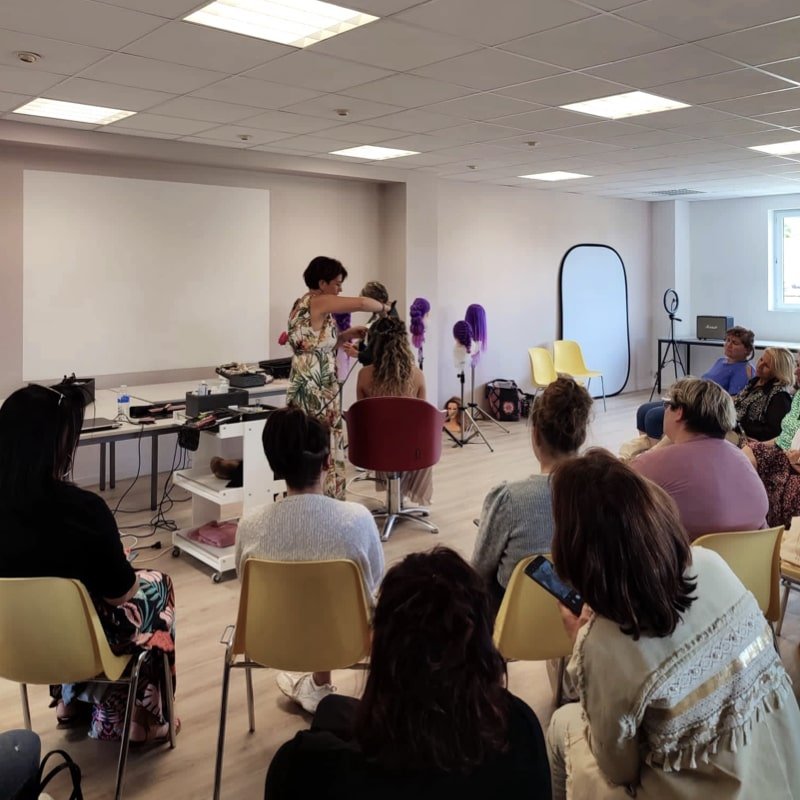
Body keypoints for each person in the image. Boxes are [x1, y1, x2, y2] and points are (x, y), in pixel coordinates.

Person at [546, 449, 800, 800]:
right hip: (784, 771)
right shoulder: (710, 562)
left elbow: (619, 769)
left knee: (562, 723)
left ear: (574, 551)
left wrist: (581, 644)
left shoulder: (602, 644)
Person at [264, 547, 551, 800]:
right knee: (330, 707)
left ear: (377, 645)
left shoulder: (301, 769)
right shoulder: (519, 730)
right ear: (483, 647)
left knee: (330, 709)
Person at [0, 384, 177, 744]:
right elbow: (122, 594)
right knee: (158, 585)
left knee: (55, 600)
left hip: (14, 647)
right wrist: (115, 558)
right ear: (57, 446)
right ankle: (143, 721)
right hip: (85, 647)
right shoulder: (85, 512)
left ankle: (69, 702)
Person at [235, 406, 384, 714]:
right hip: (350, 641)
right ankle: (323, 687)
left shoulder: (250, 525)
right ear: (328, 462)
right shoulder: (358, 520)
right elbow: (375, 583)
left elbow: (244, 584)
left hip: (268, 642)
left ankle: (316, 686)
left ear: (275, 466)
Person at [472, 377, 592, 601]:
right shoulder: (605, 495)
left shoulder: (508, 500)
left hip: (514, 621)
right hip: (583, 615)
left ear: (535, 434)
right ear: (582, 435)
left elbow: (478, 572)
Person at [286, 256, 390, 499]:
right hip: (315, 385)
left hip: (309, 378)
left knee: (310, 440)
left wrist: (344, 336)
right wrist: (384, 308)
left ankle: (311, 498)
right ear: (322, 283)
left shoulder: (302, 304)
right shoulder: (318, 301)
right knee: (319, 440)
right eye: (337, 283)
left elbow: (316, 345)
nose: (340, 289)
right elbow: (362, 303)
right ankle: (324, 500)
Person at [631, 377, 767, 540]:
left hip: (690, 554)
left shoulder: (652, 464)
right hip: (754, 553)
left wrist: (658, 448)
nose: (665, 410)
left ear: (679, 412)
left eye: (667, 405)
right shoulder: (742, 459)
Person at [356, 316, 431, 505]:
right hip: (412, 450)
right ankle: (401, 496)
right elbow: (423, 421)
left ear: (373, 343)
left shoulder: (364, 375)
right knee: (412, 437)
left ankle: (395, 497)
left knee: (384, 436)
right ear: (403, 342)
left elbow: (362, 419)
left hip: (375, 449)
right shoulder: (418, 375)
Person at [636, 326, 755, 442]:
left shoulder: (743, 370)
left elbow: (733, 400)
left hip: (704, 408)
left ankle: (656, 450)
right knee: (643, 410)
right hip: (693, 399)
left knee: (653, 416)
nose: (729, 344)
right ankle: (646, 445)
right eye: (727, 340)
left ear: (747, 350)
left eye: (734, 343)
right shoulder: (721, 361)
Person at [745, 350, 800, 527]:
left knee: (792, 488)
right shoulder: (798, 397)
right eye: (797, 365)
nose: (796, 371)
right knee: (746, 454)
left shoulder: (779, 396)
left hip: (794, 462)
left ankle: (773, 531)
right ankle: (747, 521)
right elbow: (784, 436)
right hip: (783, 451)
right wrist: (760, 444)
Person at [734, 346, 793, 441]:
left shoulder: (780, 396)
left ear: (778, 372)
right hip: (734, 430)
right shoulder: (754, 381)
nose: (760, 365)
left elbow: (774, 432)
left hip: (752, 441)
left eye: (766, 366)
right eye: (761, 359)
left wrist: (739, 425)